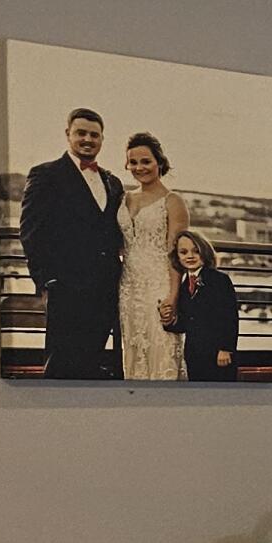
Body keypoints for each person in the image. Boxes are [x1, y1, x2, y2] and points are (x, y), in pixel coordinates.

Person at [17, 107, 124, 377]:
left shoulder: (112, 182)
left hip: (105, 290)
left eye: (94, 135)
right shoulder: (46, 174)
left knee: (92, 363)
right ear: (68, 134)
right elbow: (31, 232)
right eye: (81, 133)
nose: (88, 139)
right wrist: (46, 282)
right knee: (61, 366)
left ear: (102, 139)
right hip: (65, 289)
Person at [117, 134, 189, 382]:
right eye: (133, 162)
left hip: (160, 285)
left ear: (159, 162)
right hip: (128, 288)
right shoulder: (124, 198)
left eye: (146, 161)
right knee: (134, 352)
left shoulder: (173, 201)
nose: (139, 167)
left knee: (162, 351)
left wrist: (173, 297)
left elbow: (176, 254)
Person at [172, 230, 242, 381]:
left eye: (196, 251)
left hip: (218, 354)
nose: (190, 256)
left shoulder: (219, 280)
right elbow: (186, 322)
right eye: (183, 252)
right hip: (194, 354)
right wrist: (168, 321)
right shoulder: (184, 285)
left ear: (205, 252)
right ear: (177, 257)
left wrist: (225, 348)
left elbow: (230, 317)